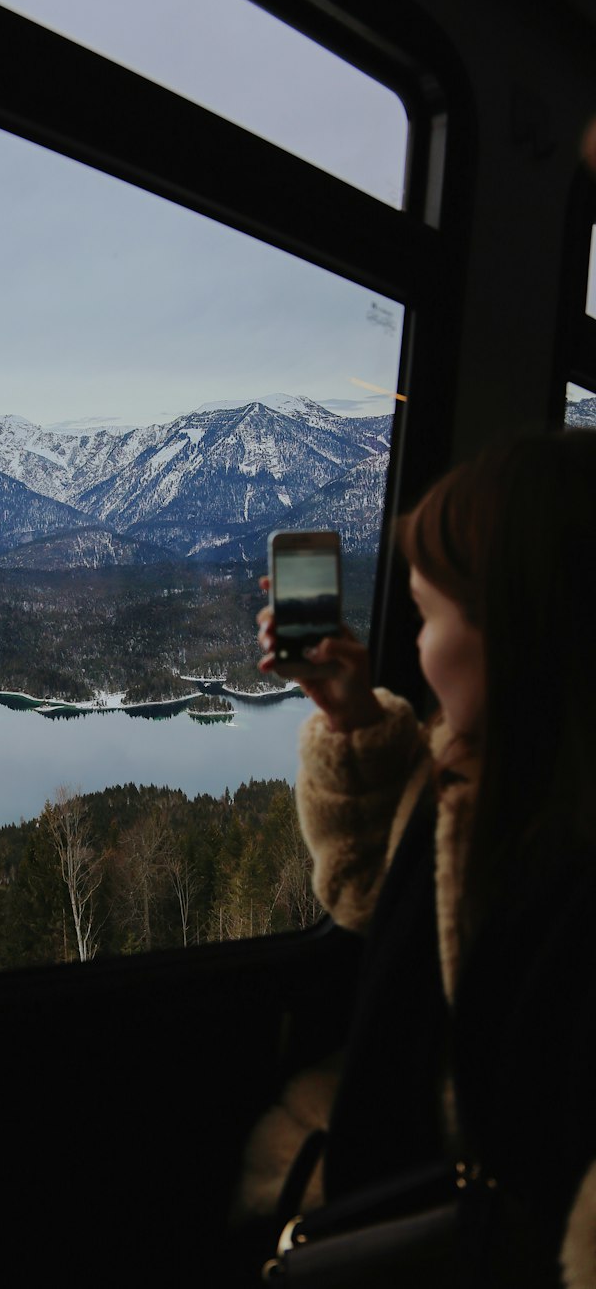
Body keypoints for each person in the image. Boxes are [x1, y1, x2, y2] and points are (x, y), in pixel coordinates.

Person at [236, 426, 596, 1287]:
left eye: (429, 615)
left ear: (520, 637)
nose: (420, 649)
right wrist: (352, 718)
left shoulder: (565, 871)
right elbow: (374, 903)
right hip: (403, 1194)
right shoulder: (475, 786)